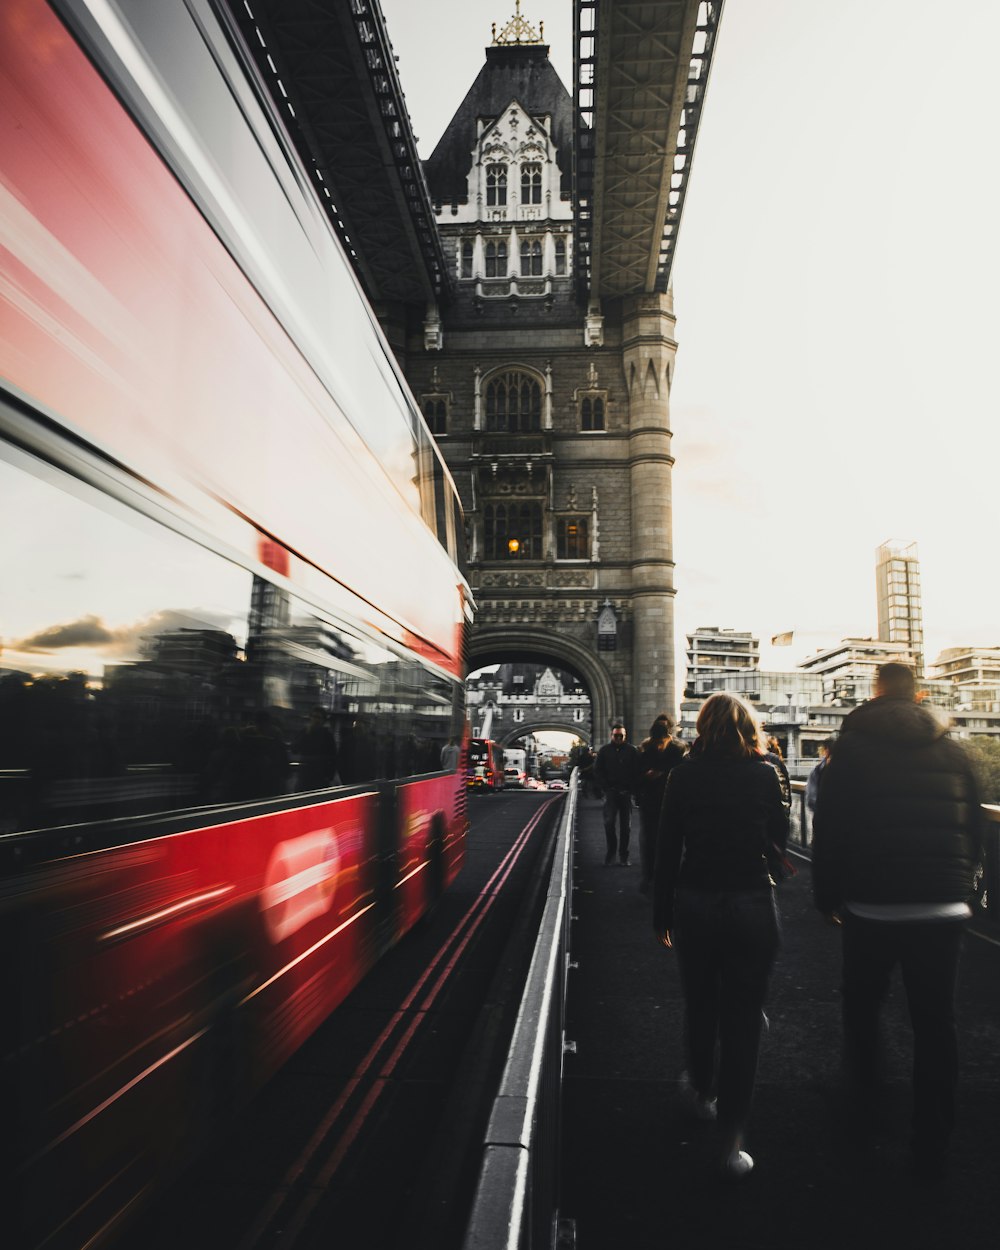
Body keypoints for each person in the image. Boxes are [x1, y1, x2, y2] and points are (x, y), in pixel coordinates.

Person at [811, 662, 984, 1180]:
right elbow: (974, 827)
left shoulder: (851, 750)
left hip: (872, 903)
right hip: (944, 905)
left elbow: (830, 831)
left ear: (875, 693)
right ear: (921, 695)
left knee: (864, 1011)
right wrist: (968, 887)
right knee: (936, 1025)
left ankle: (864, 1116)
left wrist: (827, 899)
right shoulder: (955, 749)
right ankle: (932, 1140)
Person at [653, 692, 789, 1179]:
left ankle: (702, 1092)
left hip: (696, 898)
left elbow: (667, 849)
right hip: (751, 899)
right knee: (744, 1021)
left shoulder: (682, 775)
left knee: (701, 1004)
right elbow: (780, 833)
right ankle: (732, 1143)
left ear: (703, 726)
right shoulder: (765, 774)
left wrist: (660, 914)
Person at [635, 716, 686, 894]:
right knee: (649, 841)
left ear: (668, 738)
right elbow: (636, 776)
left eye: (661, 743)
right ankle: (649, 878)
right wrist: (645, 777)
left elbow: (681, 776)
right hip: (650, 803)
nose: (658, 746)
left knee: (672, 841)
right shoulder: (646, 750)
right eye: (656, 743)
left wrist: (661, 774)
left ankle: (671, 879)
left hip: (672, 803)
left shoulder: (679, 751)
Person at [593, 723, 640, 866]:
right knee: (609, 824)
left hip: (625, 793)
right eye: (616, 735)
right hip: (611, 792)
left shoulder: (632, 751)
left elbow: (637, 771)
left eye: (621, 735)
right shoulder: (604, 751)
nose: (619, 738)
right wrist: (605, 787)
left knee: (626, 827)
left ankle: (623, 856)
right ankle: (611, 854)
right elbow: (598, 770)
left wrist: (632, 789)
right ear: (611, 735)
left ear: (625, 736)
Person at [805, 738, 834, 813]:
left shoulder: (817, 771)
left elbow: (811, 799)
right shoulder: (847, 768)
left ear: (826, 750)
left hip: (822, 817)